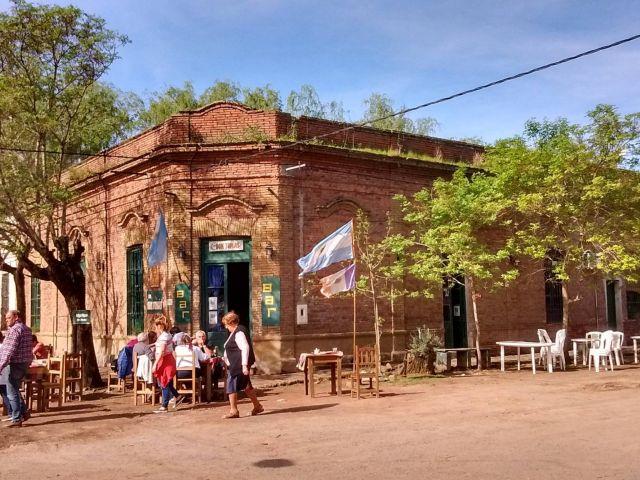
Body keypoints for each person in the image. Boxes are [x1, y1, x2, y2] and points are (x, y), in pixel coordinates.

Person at [221, 311, 263, 418]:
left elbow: (245, 348)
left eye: (226, 324)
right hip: (236, 363)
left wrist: (244, 365)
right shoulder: (235, 332)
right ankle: (257, 406)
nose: (226, 327)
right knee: (247, 386)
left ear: (231, 323)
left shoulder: (239, 332)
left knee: (231, 385)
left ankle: (234, 410)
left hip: (238, 365)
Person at [0, 310, 33, 427]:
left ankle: (16, 418)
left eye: (8, 318)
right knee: (14, 388)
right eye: (6, 318)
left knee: (11, 391)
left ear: (16, 317)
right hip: (25, 363)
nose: (6, 320)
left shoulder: (15, 330)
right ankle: (24, 412)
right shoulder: (27, 329)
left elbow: (9, 350)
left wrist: (1, 366)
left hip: (15, 363)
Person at [152, 318, 182, 413]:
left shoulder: (164, 337)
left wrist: (155, 364)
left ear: (159, 326)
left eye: (156, 326)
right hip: (167, 360)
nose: (155, 328)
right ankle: (177, 396)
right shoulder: (166, 335)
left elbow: (162, 351)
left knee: (164, 381)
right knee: (166, 381)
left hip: (165, 360)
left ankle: (164, 406)